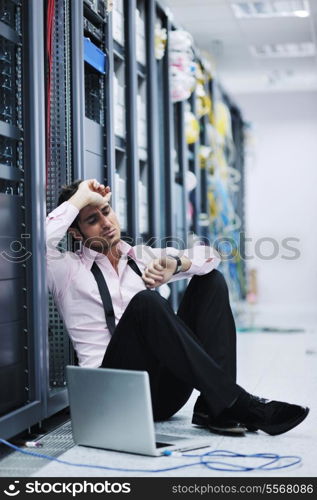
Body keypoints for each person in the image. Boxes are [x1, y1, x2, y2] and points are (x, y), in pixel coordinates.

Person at [46, 178, 309, 436]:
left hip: (163, 395)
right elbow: (40, 243)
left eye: (106, 211)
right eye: (92, 220)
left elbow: (210, 256)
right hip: (114, 394)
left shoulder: (141, 257)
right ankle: (236, 402)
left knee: (211, 280)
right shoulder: (67, 270)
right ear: (75, 232)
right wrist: (80, 197)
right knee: (146, 303)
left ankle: (216, 408)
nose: (106, 224)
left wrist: (177, 263)